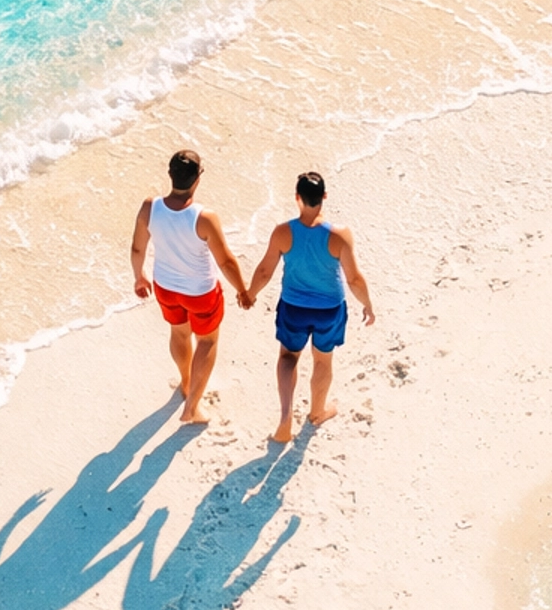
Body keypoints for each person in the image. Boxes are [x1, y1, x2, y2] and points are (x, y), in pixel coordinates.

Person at [244, 170, 374, 442]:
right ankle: (317, 412)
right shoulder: (340, 235)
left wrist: (250, 294)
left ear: (297, 198)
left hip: (294, 307)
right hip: (330, 309)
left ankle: (284, 420)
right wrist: (367, 304)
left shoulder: (283, 232)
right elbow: (354, 278)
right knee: (322, 359)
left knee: (288, 357)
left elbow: (266, 270)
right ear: (324, 196)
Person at [131, 149, 252, 424]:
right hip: (200, 292)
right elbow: (226, 261)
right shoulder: (203, 217)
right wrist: (242, 290)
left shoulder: (150, 207)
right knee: (207, 341)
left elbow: (138, 247)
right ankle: (192, 408)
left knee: (179, 333)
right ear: (198, 178)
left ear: (170, 174)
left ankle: (186, 383)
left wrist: (140, 276)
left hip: (166, 288)